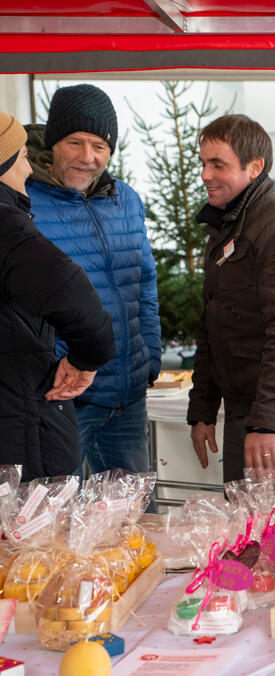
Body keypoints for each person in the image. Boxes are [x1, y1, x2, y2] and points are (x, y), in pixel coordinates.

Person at [25, 84, 161, 476]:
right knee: (57, 521)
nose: (88, 158)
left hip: (127, 398)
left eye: (100, 146)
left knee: (133, 519)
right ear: (53, 144)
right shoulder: (24, 202)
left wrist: (149, 353)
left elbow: (144, 284)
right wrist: (54, 367)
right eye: (75, 142)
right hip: (61, 395)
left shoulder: (127, 200)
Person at [186, 114, 275, 484]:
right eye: (203, 163)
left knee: (272, 537)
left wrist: (265, 422)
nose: (206, 174)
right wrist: (203, 410)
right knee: (244, 533)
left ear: (254, 166)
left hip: (274, 423)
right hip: (245, 415)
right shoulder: (228, 226)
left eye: (218, 164)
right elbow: (211, 325)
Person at [0, 110, 115, 481]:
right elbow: (75, 298)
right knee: (35, 538)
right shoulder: (6, 226)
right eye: (20, 160)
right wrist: (86, 360)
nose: (29, 171)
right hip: (22, 434)